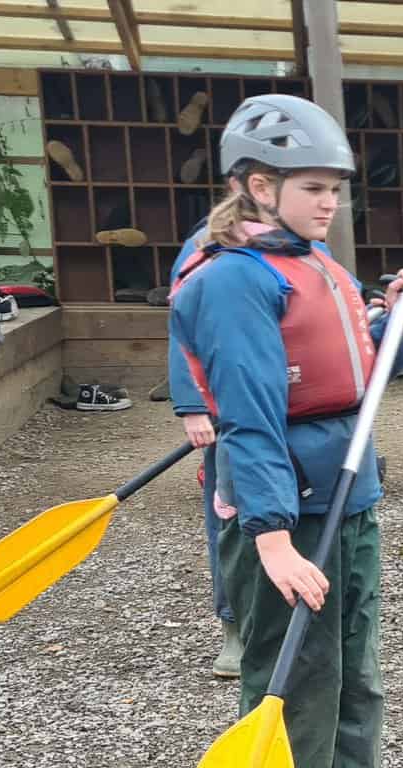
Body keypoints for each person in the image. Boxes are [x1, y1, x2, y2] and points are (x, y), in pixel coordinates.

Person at [168, 94, 403, 768]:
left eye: (335, 189)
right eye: (314, 188)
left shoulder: (321, 265)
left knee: (357, 682)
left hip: (350, 506)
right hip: (284, 518)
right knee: (289, 687)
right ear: (257, 185)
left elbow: (361, 366)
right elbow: (248, 421)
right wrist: (273, 538)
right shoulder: (231, 282)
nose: (330, 204)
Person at [169, 176, 243, 676]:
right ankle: (234, 626)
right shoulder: (206, 244)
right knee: (230, 518)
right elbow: (183, 324)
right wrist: (193, 406)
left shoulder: (303, 244)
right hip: (227, 411)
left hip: (290, 408)